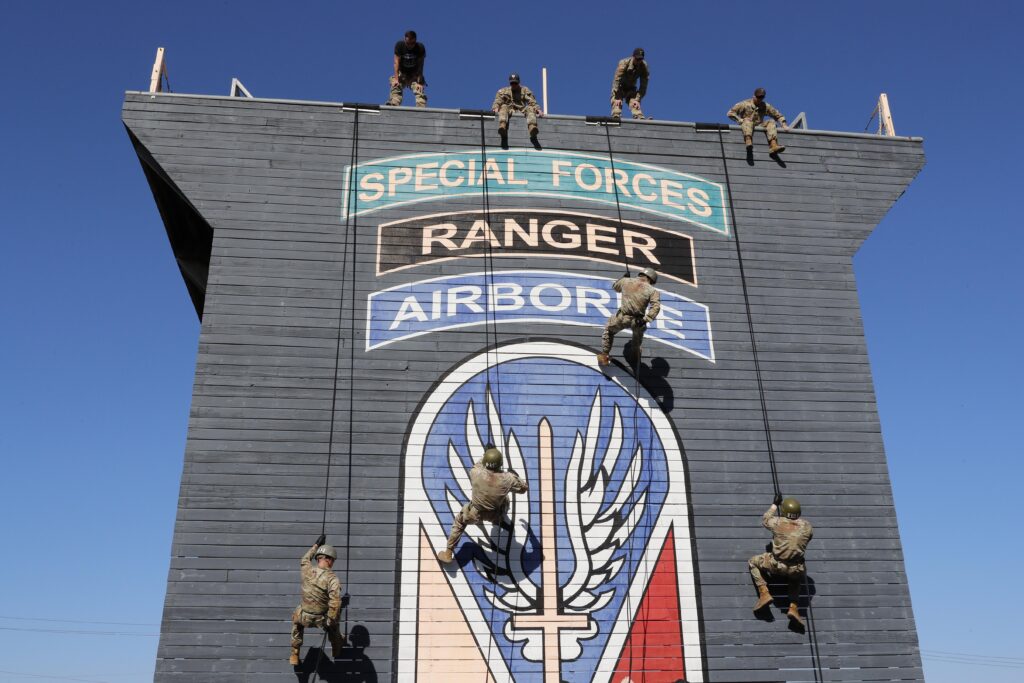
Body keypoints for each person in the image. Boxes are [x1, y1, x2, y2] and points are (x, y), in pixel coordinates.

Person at [437, 447, 528, 564]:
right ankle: (498, 521)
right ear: (500, 463)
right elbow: (523, 488)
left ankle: (448, 552)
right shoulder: (508, 479)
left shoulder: (475, 472)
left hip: (475, 512)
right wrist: (513, 478)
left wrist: (486, 453)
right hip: (496, 514)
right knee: (506, 499)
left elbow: (480, 463)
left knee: (460, 522)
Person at [748, 494, 814, 627]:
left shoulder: (778, 523)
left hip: (776, 565)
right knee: (798, 576)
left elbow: (766, 519)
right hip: (795, 568)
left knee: (753, 562)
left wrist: (774, 504)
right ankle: (794, 607)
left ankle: (764, 593)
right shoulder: (807, 526)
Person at [290, 535, 346, 665]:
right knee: (335, 625)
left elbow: (304, 558)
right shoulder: (332, 579)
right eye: (333, 560)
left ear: (318, 558)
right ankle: (336, 648)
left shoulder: (306, 569)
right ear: (329, 560)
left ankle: (294, 652)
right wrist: (331, 620)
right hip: (321, 619)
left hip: (304, 616)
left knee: (297, 621)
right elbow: (335, 603)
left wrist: (316, 545)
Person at [598, 267, 661, 366]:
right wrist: (646, 320)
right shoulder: (653, 291)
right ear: (651, 279)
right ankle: (635, 359)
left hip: (622, 318)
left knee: (609, 331)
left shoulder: (626, 281)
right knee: (636, 343)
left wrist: (623, 278)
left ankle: (604, 357)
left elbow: (615, 287)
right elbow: (656, 307)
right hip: (638, 321)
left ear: (641, 274)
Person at [727, 87, 788, 155]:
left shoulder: (765, 106)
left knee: (771, 122)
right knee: (748, 121)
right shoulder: (744, 104)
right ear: (754, 96)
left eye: (762, 97)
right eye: (758, 97)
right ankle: (748, 141)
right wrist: (740, 120)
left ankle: (773, 145)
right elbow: (730, 113)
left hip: (759, 125)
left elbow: (778, 115)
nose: (760, 99)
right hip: (747, 126)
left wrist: (784, 125)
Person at [492, 73, 543, 141]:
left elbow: (532, 101)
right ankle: (502, 126)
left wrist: (538, 109)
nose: (514, 85)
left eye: (515, 83)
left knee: (529, 107)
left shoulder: (524, 90)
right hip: (508, 110)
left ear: (518, 82)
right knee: (503, 106)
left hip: (521, 110)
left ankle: (532, 127)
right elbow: (498, 100)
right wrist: (496, 107)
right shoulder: (503, 91)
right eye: (512, 83)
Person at [387, 30, 427, 107]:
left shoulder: (420, 48)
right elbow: (396, 62)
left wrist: (419, 81)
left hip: (414, 74)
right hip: (402, 73)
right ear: (405, 40)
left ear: (415, 41)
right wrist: (396, 79)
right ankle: (394, 102)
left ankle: (421, 106)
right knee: (395, 85)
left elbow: (421, 65)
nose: (410, 46)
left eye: (412, 43)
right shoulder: (400, 45)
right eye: (408, 43)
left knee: (419, 88)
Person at [611, 48, 649, 120]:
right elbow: (616, 80)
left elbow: (643, 86)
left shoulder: (644, 67)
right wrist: (617, 97)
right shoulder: (624, 63)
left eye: (640, 59)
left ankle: (638, 116)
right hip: (620, 87)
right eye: (637, 59)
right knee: (617, 104)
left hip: (631, 88)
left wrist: (637, 99)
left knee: (635, 103)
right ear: (633, 56)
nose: (638, 61)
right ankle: (616, 116)